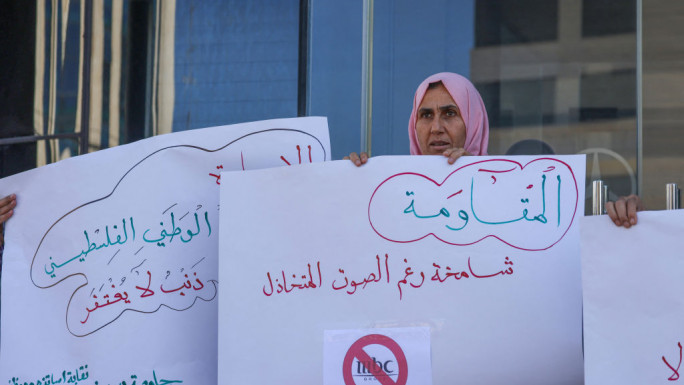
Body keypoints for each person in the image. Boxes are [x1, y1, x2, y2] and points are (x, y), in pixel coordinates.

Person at [345, 71, 643, 228]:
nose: (436, 127)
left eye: (450, 113)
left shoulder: (519, 200)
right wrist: (347, 186)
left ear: (473, 123)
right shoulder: (391, 195)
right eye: (426, 115)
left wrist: (619, 218)